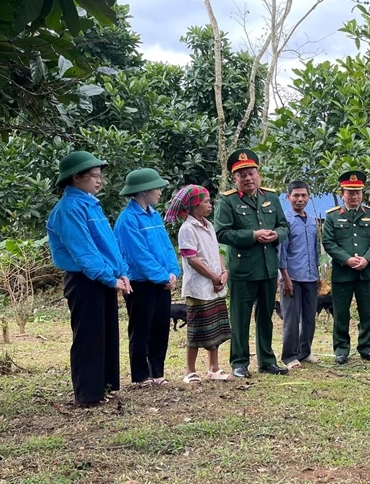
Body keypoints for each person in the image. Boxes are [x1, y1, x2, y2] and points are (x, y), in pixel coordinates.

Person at [47, 151, 131, 407]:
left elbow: (108, 244)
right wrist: (108, 276)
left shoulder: (91, 203)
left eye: (99, 175)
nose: (99, 181)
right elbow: (83, 251)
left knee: (106, 334)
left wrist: (121, 271)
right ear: (76, 178)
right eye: (93, 176)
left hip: (104, 277)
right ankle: (88, 395)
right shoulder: (69, 208)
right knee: (88, 337)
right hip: (84, 278)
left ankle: (104, 387)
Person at [214, 149, 290, 378]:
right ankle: (239, 362)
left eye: (251, 173)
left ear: (258, 174)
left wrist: (276, 235)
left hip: (267, 267)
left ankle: (267, 361)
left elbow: (284, 226)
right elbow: (221, 233)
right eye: (242, 175)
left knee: (265, 318)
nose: (248, 178)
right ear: (235, 179)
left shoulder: (271, 197)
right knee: (240, 318)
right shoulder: (228, 201)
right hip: (243, 269)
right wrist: (253, 236)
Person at [114, 168, 180, 387]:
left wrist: (173, 271)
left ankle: (157, 373)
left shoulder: (154, 214)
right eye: (156, 188)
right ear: (143, 191)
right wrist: (162, 276)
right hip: (141, 284)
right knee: (141, 329)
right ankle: (140, 376)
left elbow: (167, 246)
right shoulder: (128, 219)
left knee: (160, 328)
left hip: (161, 283)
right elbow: (137, 255)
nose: (160, 192)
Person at [164, 185, 233, 383]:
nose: (210, 205)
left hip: (215, 284)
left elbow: (215, 251)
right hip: (199, 287)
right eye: (206, 202)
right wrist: (213, 276)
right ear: (194, 207)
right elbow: (192, 259)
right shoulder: (187, 229)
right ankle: (190, 371)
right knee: (196, 327)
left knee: (216, 326)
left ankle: (214, 368)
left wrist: (224, 272)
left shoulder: (209, 225)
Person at [321, 170, 370, 364]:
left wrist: (367, 259)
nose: (354, 196)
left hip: (366, 273)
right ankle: (341, 349)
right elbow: (329, 242)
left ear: (362, 194)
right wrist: (347, 259)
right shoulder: (332, 217)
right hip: (342, 273)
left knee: (367, 313)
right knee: (341, 313)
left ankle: (366, 347)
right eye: (350, 192)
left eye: (357, 192)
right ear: (342, 194)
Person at [278, 181, 321, 370]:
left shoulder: (312, 221)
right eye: (296, 195)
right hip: (292, 277)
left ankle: (305, 352)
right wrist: (285, 277)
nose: (300, 199)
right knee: (292, 318)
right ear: (288, 197)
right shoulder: (284, 221)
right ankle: (289, 356)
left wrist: (318, 275)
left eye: (303, 195)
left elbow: (315, 250)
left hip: (311, 277)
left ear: (308, 197)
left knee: (310, 317)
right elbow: (282, 251)